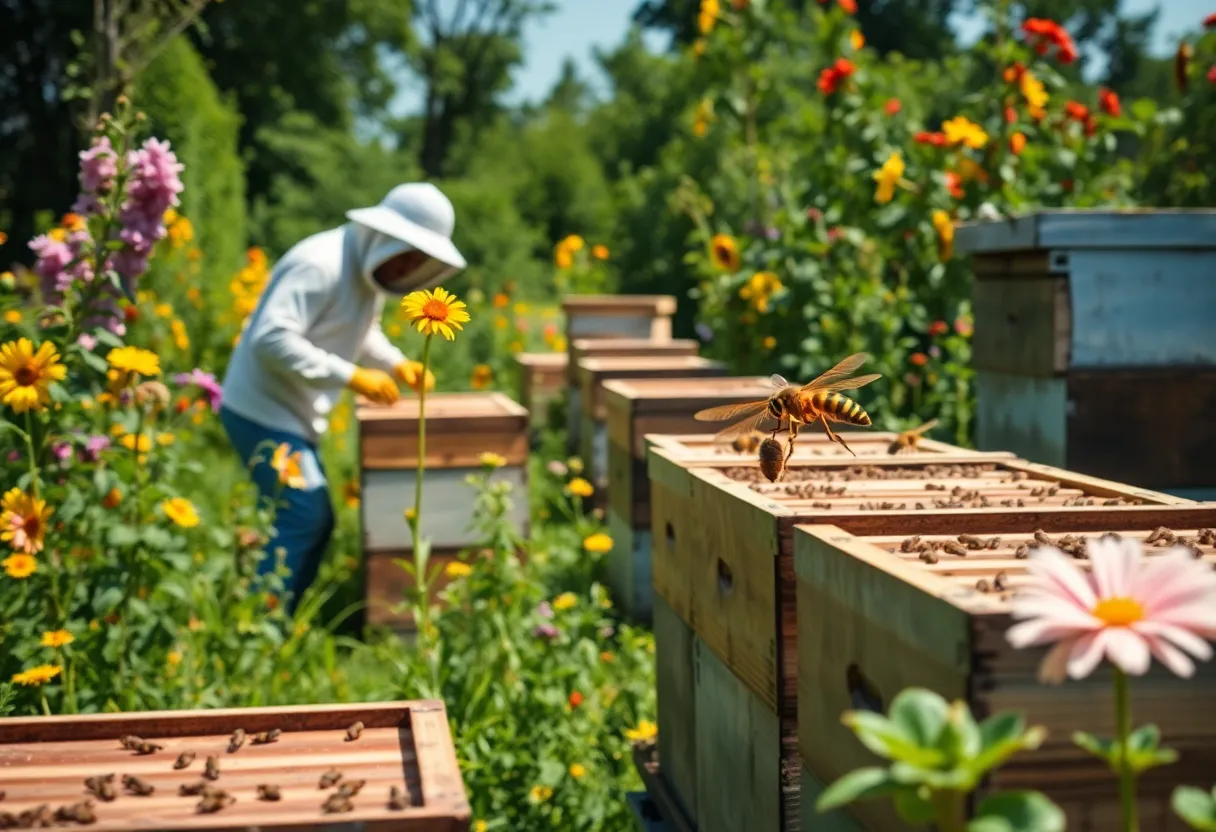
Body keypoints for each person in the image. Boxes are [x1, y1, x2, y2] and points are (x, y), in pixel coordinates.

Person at [219, 183, 467, 606]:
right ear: (384, 237)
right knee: (303, 513)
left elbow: (358, 331)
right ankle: (259, 624)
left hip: (290, 411)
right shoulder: (319, 264)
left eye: (418, 262)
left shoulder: (361, 273)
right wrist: (352, 376)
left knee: (312, 519)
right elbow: (270, 338)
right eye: (406, 255)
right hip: (260, 409)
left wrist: (394, 363)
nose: (408, 269)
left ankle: (277, 615)